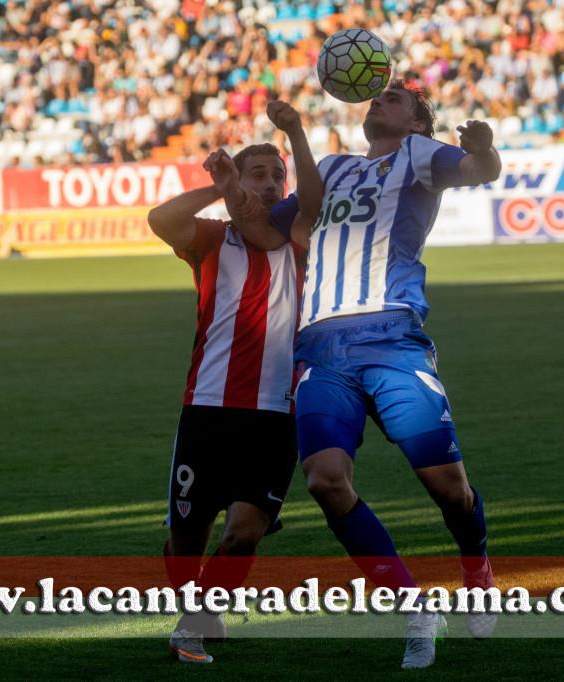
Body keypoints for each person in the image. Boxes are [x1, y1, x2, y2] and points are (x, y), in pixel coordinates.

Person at [211, 82, 501, 670]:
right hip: (321, 345)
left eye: (396, 98)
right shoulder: (335, 167)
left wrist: (485, 148)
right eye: (378, 96)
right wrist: (231, 186)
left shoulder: (419, 155)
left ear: (418, 121)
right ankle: (414, 607)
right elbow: (269, 225)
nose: (380, 100)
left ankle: (477, 567)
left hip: (392, 336)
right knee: (324, 480)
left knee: (448, 486)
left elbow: (477, 169)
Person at [146, 100, 322, 664]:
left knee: (245, 530)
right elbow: (160, 220)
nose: (271, 184)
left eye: (278, 176)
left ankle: (191, 627)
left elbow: (310, 203)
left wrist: (288, 139)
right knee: (184, 540)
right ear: (237, 181)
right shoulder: (211, 239)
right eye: (258, 174)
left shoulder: (299, 239)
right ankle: (200, 608)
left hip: (278, 412)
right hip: (207, 406)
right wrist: (217, 189)